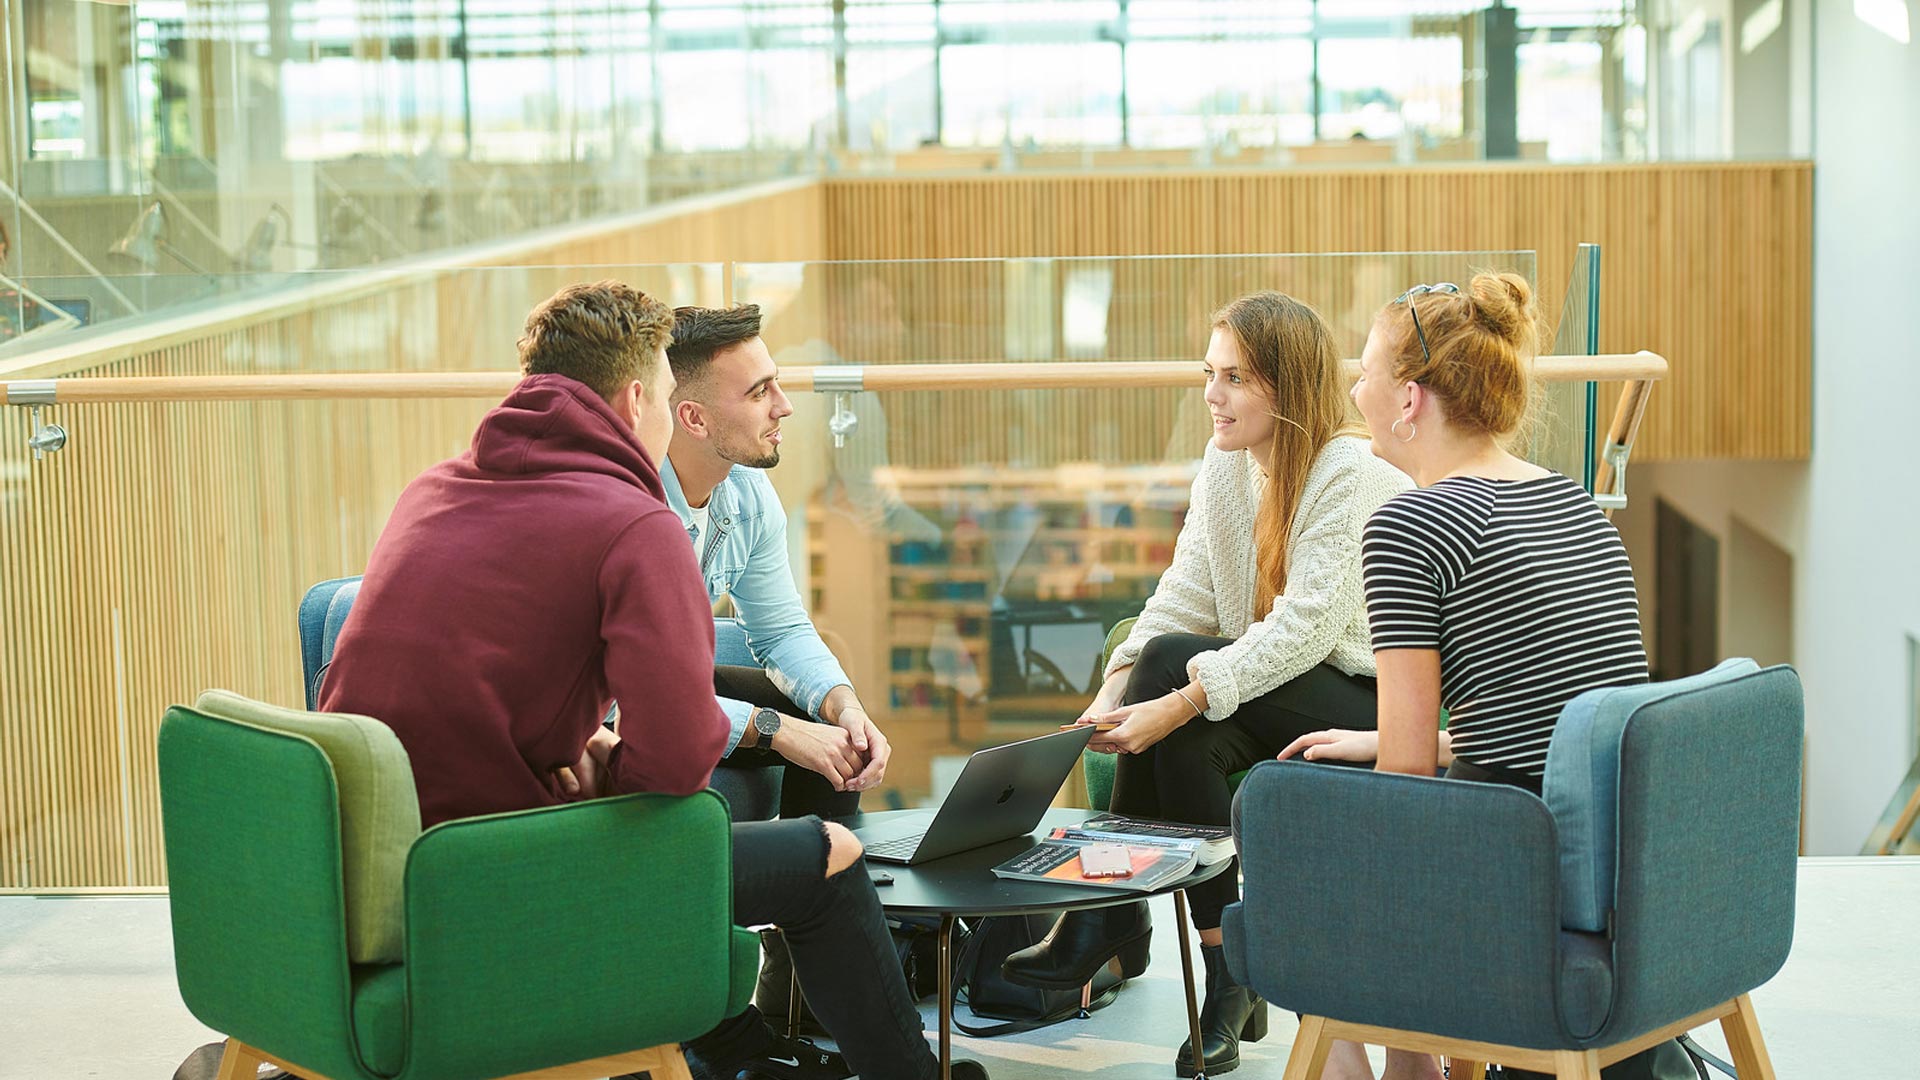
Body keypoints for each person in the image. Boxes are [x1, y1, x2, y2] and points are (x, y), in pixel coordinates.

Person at [319, 281, 985, 1080]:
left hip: (368, 862)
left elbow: (485, 672)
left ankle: (751, 1043)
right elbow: (671, 767)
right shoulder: (635, 523)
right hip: (491, 872)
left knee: (765, 742)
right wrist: (612, 763)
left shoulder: (431, 489)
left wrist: (586, 741)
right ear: (641, 398)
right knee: (829, 855)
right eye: (669, 398)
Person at [1001, 292, 1411, 1077]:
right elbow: (1182, 592)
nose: (1210, 395)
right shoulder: (1227, 466)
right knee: (1181, 706)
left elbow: (1309, 627)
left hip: (1358, 693)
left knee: (1181, 682)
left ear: (1285, 391)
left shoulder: (1348, 470)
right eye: (1208, 373)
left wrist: (1179, 694)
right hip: (1262, 686)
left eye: (1233, 378)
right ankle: (1229, 971)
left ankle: (1115, 924)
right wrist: (1111, 694)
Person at [1279, 272, 1663, 1080]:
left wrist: (1376, 773)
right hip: (1615, 859)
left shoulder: (1407, 524)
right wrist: (1411, 739)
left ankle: (1401, 1059)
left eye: (1368, 372)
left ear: (1411, 399)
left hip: (1509, 871)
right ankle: (1416, 1058)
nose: (1355, 390)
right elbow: (1560, 724)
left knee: (1288, 844)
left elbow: (1407, 779)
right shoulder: (1571, 502)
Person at [657, 303, 900, 1024]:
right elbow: (624, 701)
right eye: (759, 391)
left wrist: (842, 707)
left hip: (673, 680)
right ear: (694, 418)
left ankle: (799, 996)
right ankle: (721, 1019)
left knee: (825, 720)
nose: (784, 406)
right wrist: (776, 731)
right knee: (791, 725)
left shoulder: (746, 494)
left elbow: (782, 629)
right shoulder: (632, 513)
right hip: (615, 701)